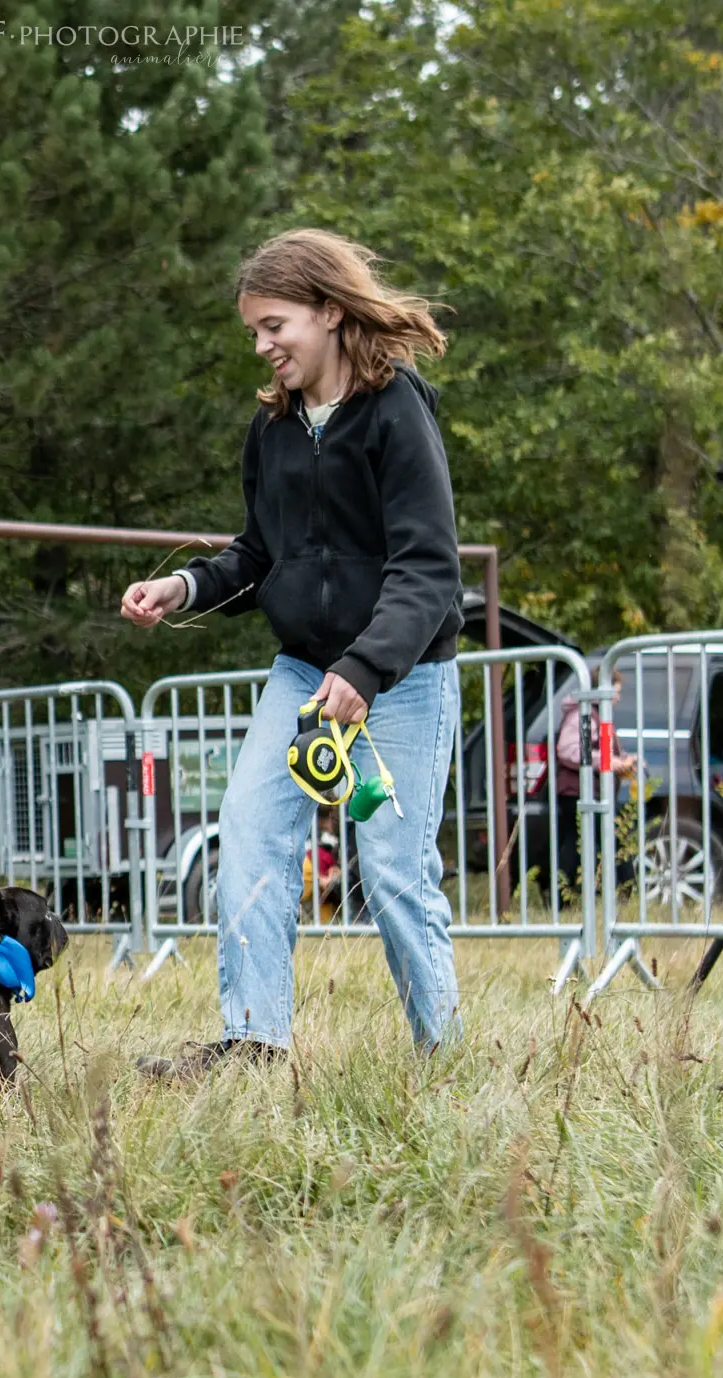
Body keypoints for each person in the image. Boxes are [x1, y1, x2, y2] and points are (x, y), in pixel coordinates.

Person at [120, 229, 463, 1078]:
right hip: (306, 675)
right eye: (254, 333)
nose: (264, 346)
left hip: (403, 680)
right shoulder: (270, 431)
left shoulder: (396, 413)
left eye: (276, 326)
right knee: (248, 831)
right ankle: (253, 1043)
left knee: (393, 871)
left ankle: (443, 1059)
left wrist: (367, 667)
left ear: (331, 312)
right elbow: (260, 557)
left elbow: (428, 569)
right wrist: (188, 590)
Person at [550, 672, 639, 891]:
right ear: (601, 692)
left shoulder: (599, 716)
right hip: (578, 792)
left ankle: (566, 895)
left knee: (584, 843)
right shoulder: (583, 716)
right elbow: (568, 750)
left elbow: (602, 750)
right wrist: (609, 763)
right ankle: (625, 890)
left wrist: (622, 761)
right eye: (615, 693)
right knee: (591, 842)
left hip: (592, 791)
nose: (618, 698)